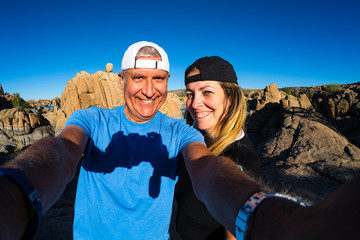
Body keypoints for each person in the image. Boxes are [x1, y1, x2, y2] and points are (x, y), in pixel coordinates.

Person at [174, 56, 262, 240]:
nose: (194, 103)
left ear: (230, 98)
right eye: (190, 94)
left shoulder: (240, 160)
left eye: (207, 92)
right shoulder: (194, 142)